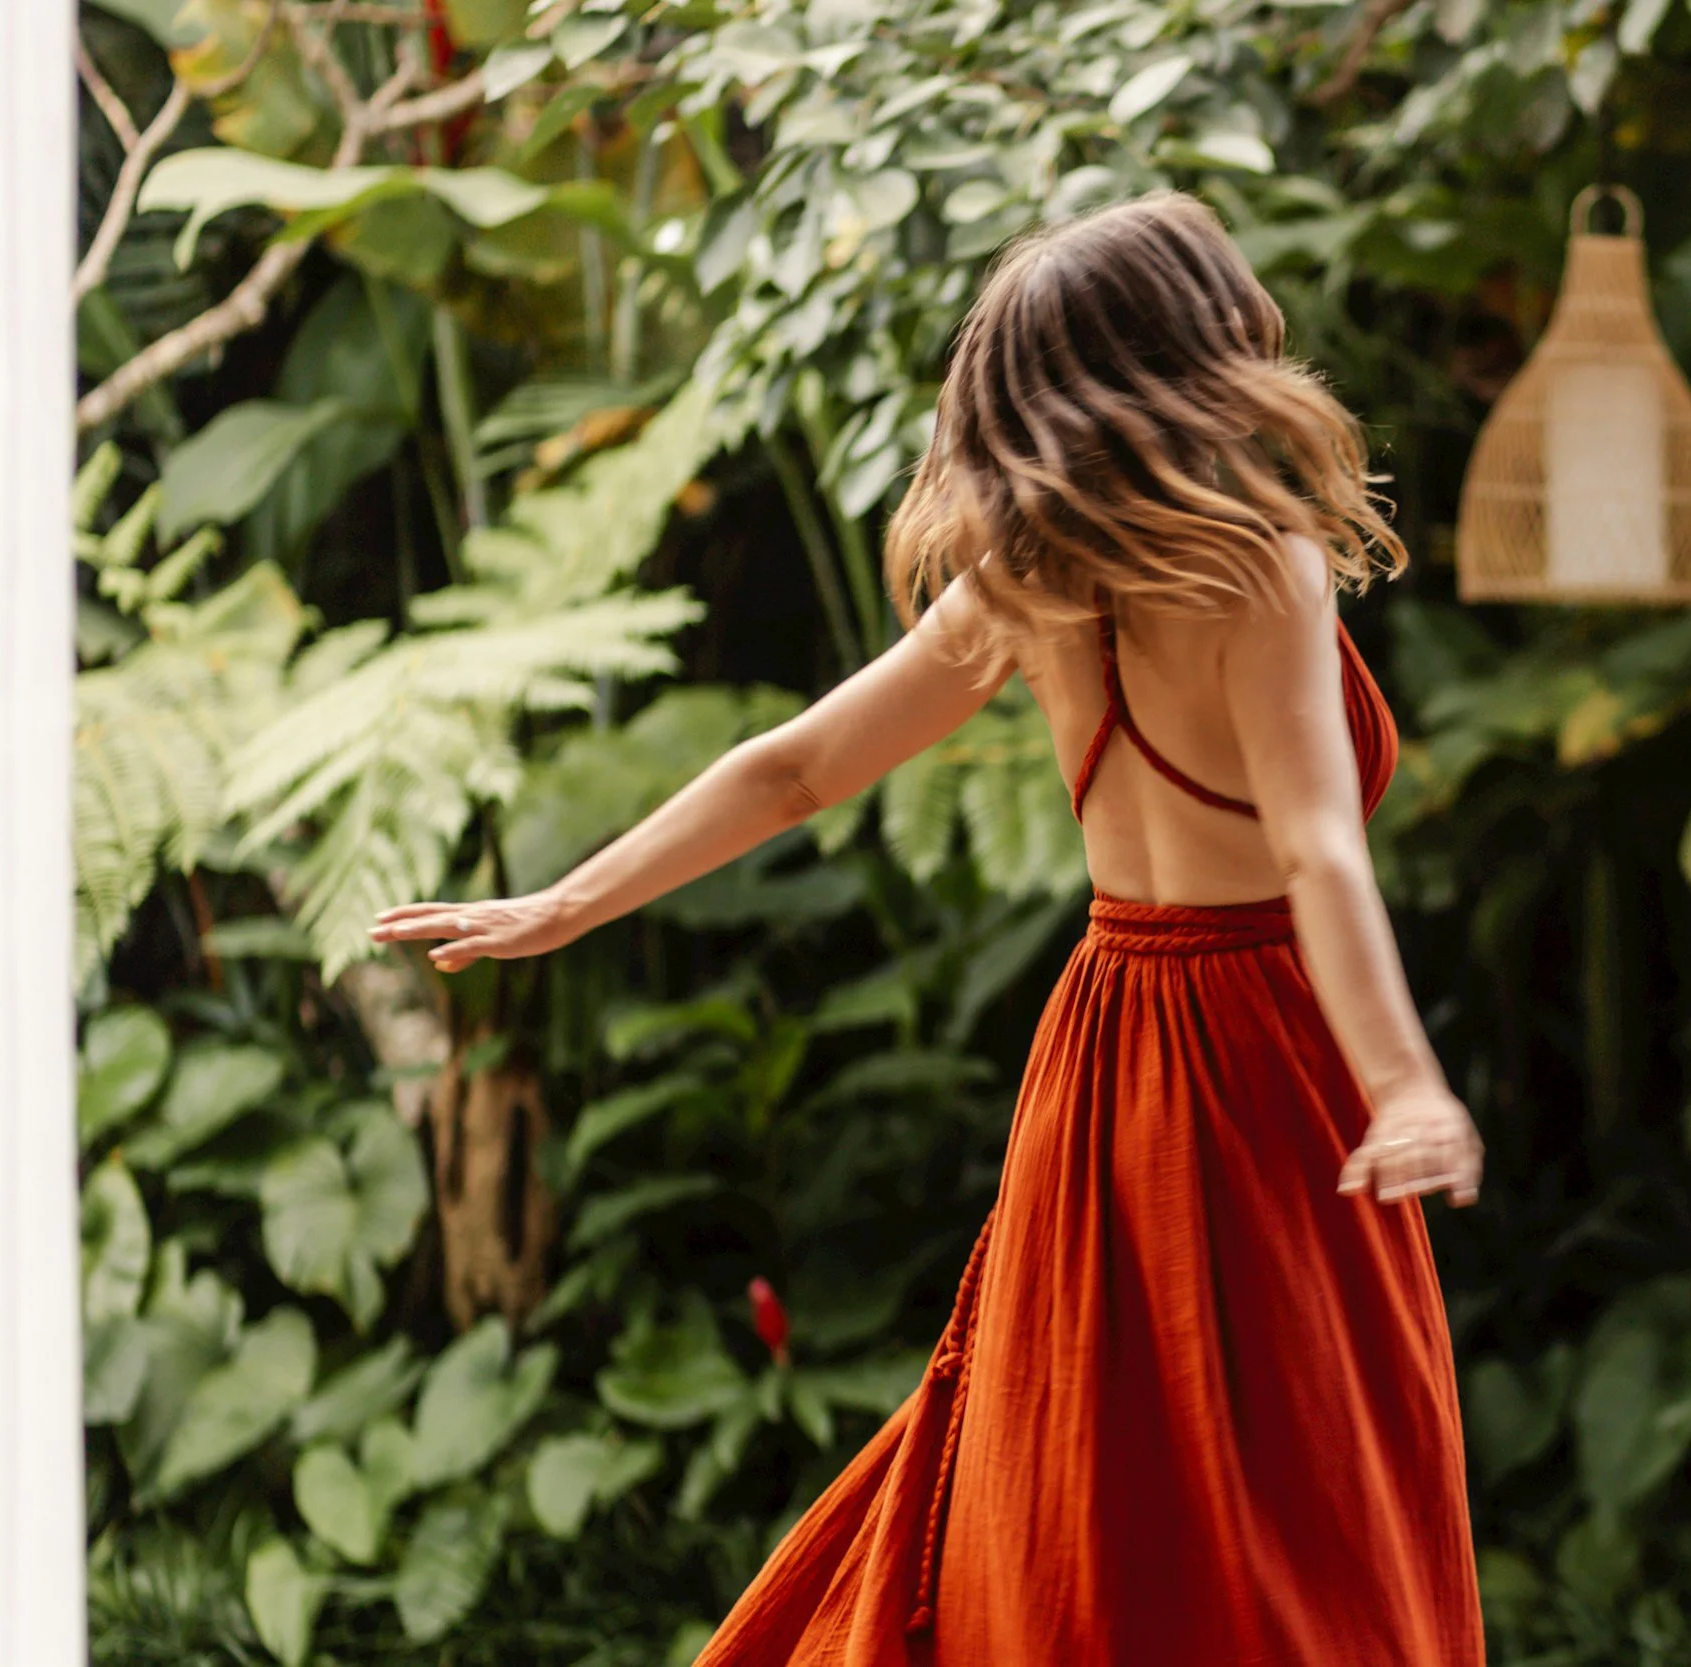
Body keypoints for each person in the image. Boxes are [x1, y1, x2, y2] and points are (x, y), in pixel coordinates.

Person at [371, 191, 1487, 1665]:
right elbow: (1318, 846)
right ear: (1201, 356)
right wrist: (1403, 1076)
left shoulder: (1024, 585)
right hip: (1274, 1058)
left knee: (1097, 1479)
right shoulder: (1254, 566)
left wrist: (572, 898)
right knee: (1303, 1497)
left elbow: (795, 769)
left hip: (1109, 1060)